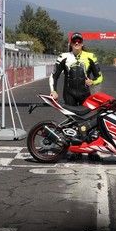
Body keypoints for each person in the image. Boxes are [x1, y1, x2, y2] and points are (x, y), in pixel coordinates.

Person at [49, 32, 103, 161]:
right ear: (71, 43)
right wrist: (53, 91)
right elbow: (54, 76)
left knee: (91, 122)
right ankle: (74, 150)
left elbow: (100, 76)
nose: (77, 43)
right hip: (69, 94)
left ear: (82, 43)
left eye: (79, 41)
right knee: (72, 122)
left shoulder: (90, 56)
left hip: (85, 94)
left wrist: (92, 82)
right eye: (74, 41)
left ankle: (92, 151)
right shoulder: (63, 56)